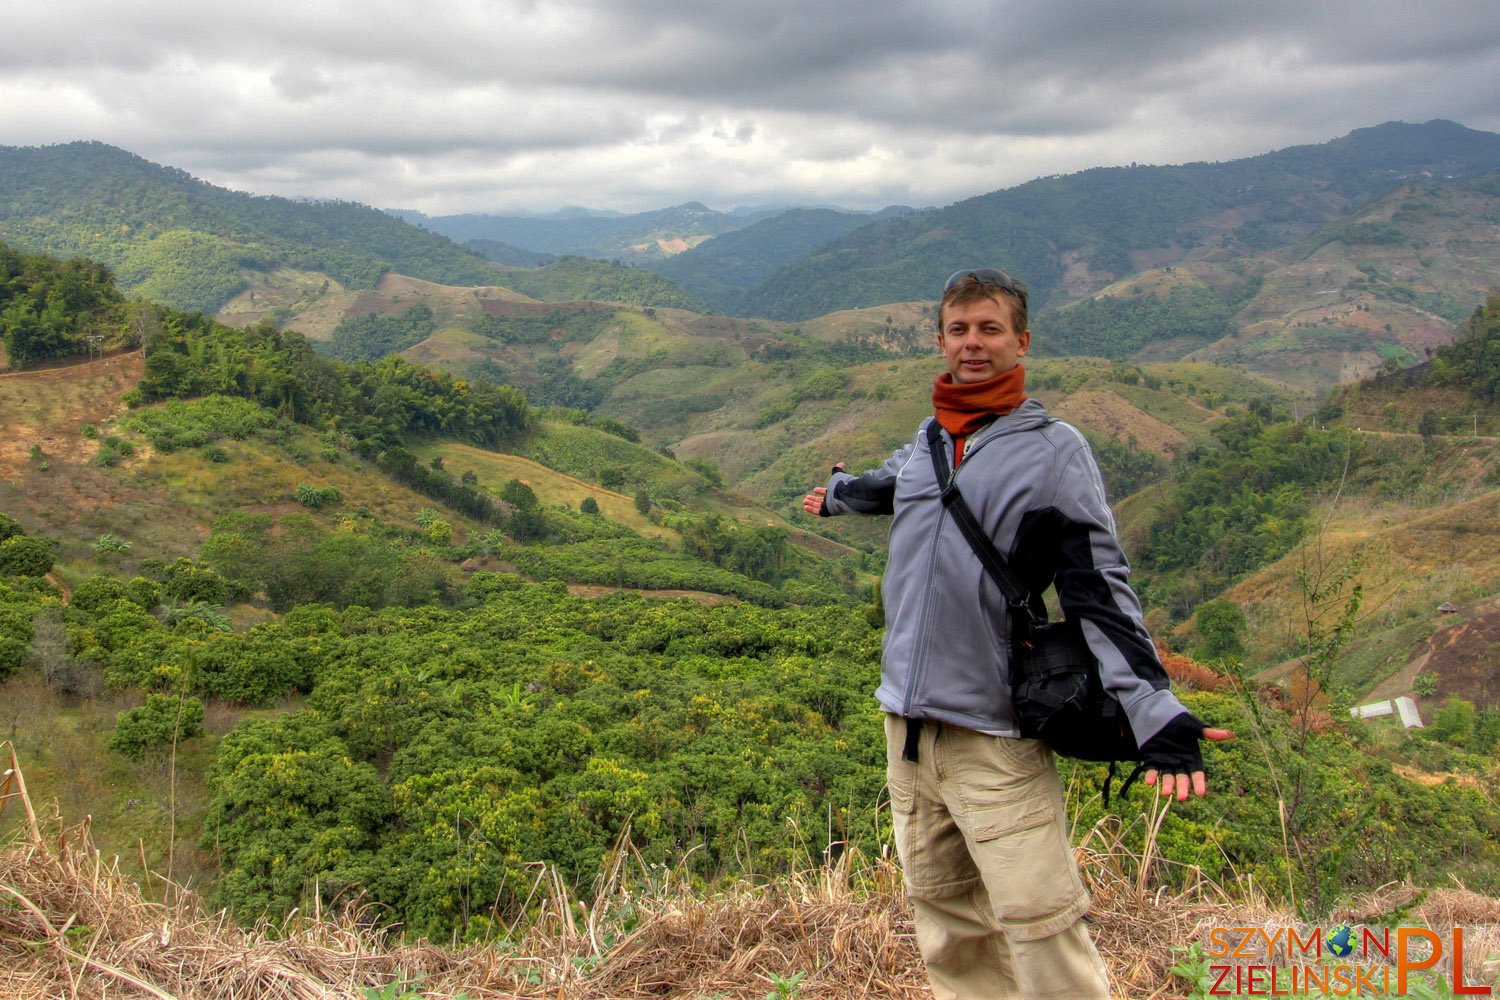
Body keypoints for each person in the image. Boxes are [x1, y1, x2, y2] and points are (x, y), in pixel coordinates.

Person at [803, 267, 1230, 999]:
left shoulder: (1055, 451)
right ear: (941, 340)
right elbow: (895, 479)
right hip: (906, 725)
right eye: (960, 329)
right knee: (947, 920)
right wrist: (840, 497)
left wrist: (1155, 711)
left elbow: (1099, 588)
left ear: (1021, 341)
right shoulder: (933, 437)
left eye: (989, 328)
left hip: (994, 733)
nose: (974, 344)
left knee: (1040, 923)